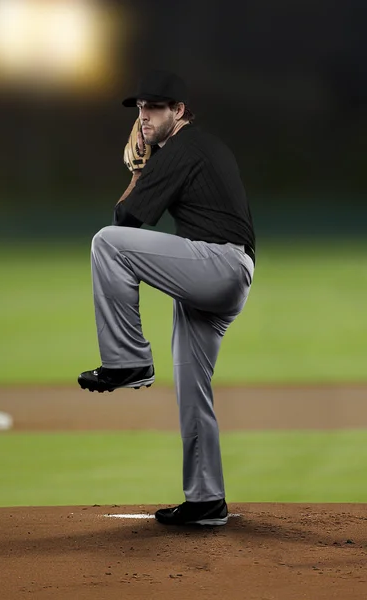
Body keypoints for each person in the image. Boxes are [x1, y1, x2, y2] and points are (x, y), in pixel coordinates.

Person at [78, 70, 256, 527]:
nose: (144, 116)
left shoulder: (184, 146)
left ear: (178, 112)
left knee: (106, 242)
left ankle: (127, 360)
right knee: (192, 387)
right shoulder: (192, 148)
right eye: (140, 108)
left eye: (154, 107)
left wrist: (139, 170)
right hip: (223, 270)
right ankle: (207, 501)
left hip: (217, 264)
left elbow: (127, 221)